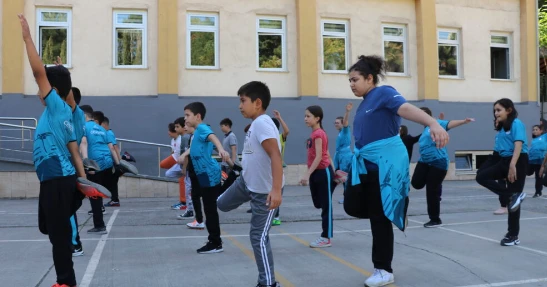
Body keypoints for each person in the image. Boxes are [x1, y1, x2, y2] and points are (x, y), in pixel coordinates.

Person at [344, 55, 449, 287]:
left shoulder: (382, 93)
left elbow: (405, 108)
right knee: (352, 205)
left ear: (369, 78)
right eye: (349, 80)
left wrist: (432, 123)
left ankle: (383, 269)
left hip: (383, 167)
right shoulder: (364, 104)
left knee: (379, 219)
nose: (351, 84)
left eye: (355, 79)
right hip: (365, 167)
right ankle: (382, 218)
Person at [19, 14, 87, 287]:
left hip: (58, 178)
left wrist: (27, 37)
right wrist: (82, 180)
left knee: (58, 235)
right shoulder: (61, 113)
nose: (39, 88)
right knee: (48, 228)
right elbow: (73, 149)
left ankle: (65, 282)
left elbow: (38, 71)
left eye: (44, 84)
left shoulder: (58, 107)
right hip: (56, 179)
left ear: (53, 90)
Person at [217, 81, 284, 287]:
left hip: (263, 192)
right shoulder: (255, 124)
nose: (240, 105)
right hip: (246, 183)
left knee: (258, 236)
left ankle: (268, 283)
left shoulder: (263, 123)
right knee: (220, 203)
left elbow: (276, 156)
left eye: (243, 101)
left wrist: (275, 190)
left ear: (257, 103)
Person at [476, 98, 528, 246]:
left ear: (509, 110)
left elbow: (518, 144)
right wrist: (486, 166)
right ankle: (512, 195)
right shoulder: (501, 128)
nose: (496, 113)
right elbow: (497, 151)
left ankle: (513, 235)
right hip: (502, 159)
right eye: (494, 111)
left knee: (513, 206)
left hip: (518, 161)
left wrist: (513, 165)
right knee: (481, 177)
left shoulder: (516, 123)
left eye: (498, 110)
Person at [411, 107, 474, 228]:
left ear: (428, 116)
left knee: (431, 190)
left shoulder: (437, 123)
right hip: (424, 161)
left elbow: (449, 124)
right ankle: (436, 187)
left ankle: (435, 219)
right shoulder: (425, 129)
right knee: (416, 184)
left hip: (438, 162)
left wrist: (463, 121)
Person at [181, 102, 229, 253]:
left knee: (210, 210)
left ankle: (215, 243)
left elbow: (212, 136)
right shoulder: (196, 133)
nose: (185, 118)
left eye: (188, 115)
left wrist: (221, 148)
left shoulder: (202, 128)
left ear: (198, 116)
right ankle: (214, 240)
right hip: (203, 174)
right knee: (209, 208)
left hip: (209, 174)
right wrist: (184, 155)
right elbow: (195, 148)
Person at [300, 105, 337, 248]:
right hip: (318, 173)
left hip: (322, 172)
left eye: (308, 116)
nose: (305, 119)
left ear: (317, 118)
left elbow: (321, 155)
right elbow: (326, 152)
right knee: (318, 203)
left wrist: (307, 174)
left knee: (326, 206)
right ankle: (325, 234)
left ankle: (326, 237)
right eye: (305, 116)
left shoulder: (318, 134)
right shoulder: (315, 134)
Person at [269, 110, 289, 225]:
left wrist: (280, 118)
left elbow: (287, 131)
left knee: (277, 192)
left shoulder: (281, 137)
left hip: (277, 169)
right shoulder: (267, 138)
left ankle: (276, 216)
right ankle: (271, 215)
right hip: (268, 169)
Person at [334, 103, 354, 204]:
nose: (335, 124)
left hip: (346, 158)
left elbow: (346, 122)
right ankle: (347, 197)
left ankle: (348, 198)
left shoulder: (345, 131)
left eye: (337, 123)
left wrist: (347, 112)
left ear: (342, 124)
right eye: (335, 123)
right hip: (340, 157)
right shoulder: (340, 133)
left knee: (346, 178)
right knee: (342, 178)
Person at [102, 116, 122, 207]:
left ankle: (114, 200)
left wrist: (119, 162)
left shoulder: (108, 133)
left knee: (111, 182)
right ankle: (114, 200)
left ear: (104, 124)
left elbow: (114, 147)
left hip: (113, 162)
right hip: (112, 162)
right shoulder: (108, 133)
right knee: (112, 182)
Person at [170, 118, 188, 210]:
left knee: (189, 187)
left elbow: (187, 155)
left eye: (177, 127)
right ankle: (184, 203)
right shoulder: (182, 138)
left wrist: (184, 167)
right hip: (183, 166)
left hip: (187, 168)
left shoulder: (185, 138)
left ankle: (185, 204)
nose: (175, 129)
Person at [528, 125, 547, 198]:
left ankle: (538, 192)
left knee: (538, 176)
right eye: (534, 130)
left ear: (541, 131)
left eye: (536, 129)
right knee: (528, 172)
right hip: (531, 159)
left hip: (540, 159)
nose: (535, 131)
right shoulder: (533, 140)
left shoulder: (544, 137)